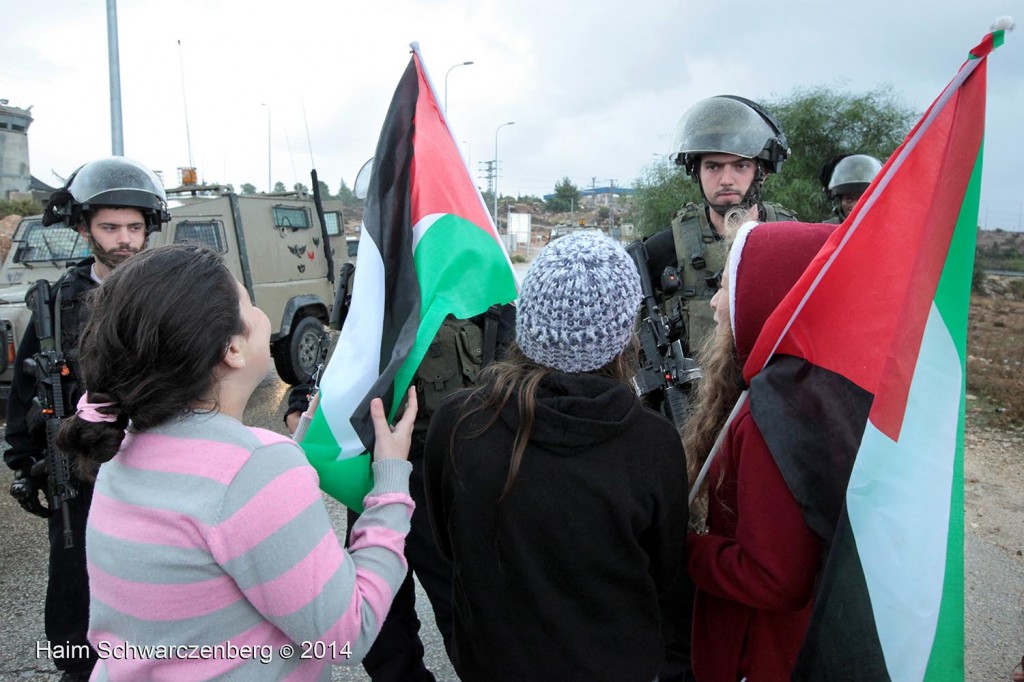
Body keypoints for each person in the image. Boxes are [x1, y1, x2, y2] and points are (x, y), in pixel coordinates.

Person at [54, 243, 418, 679]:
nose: (261, 314)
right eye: (249, 303)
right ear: (232, 349)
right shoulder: (254, 470)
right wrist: (392, 483)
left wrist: (292, 451)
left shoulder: (124, 447)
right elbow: (346, 633)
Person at [423, 232, 689, 681]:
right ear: (625, 335)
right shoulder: (654, 444)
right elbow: (666, 577)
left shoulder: (458, 424)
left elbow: (448, 544)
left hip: (492, 665)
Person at [284, 303, 515, 681]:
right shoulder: (384, 283)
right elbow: (336, 366)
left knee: (468, 616)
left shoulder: (480, 291)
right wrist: (301, 404)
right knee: (383, 630)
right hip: (377, 474)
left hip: (453, 476)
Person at [4, 156, 169, 681]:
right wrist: (24, 461)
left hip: (158, 476)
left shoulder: (170, 295)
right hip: (79, 483)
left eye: (134, 227)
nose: (124, 239)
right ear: (83, 228)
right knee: (75, 602)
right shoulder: (56, 305)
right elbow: (29, 387)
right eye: (110, 227)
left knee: (163, 594)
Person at [683, 219, 836, 681]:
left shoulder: (771, 419)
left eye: (727, 285)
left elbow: (775, 578)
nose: (713, 301)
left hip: (759, 656)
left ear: (765, 293)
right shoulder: (811, 388)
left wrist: (686, 550)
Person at [641, 95, 797, 356]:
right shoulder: (662, 251)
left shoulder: (794, 242)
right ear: (696, 173)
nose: (726, 179)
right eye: (713, 166)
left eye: (740, 166)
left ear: (761, 172)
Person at [819, 153, 884, 223]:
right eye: (849, 200)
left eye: (861, 199)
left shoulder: (887, 228)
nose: (855, 206)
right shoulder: (827, 229)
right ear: (839, 202)